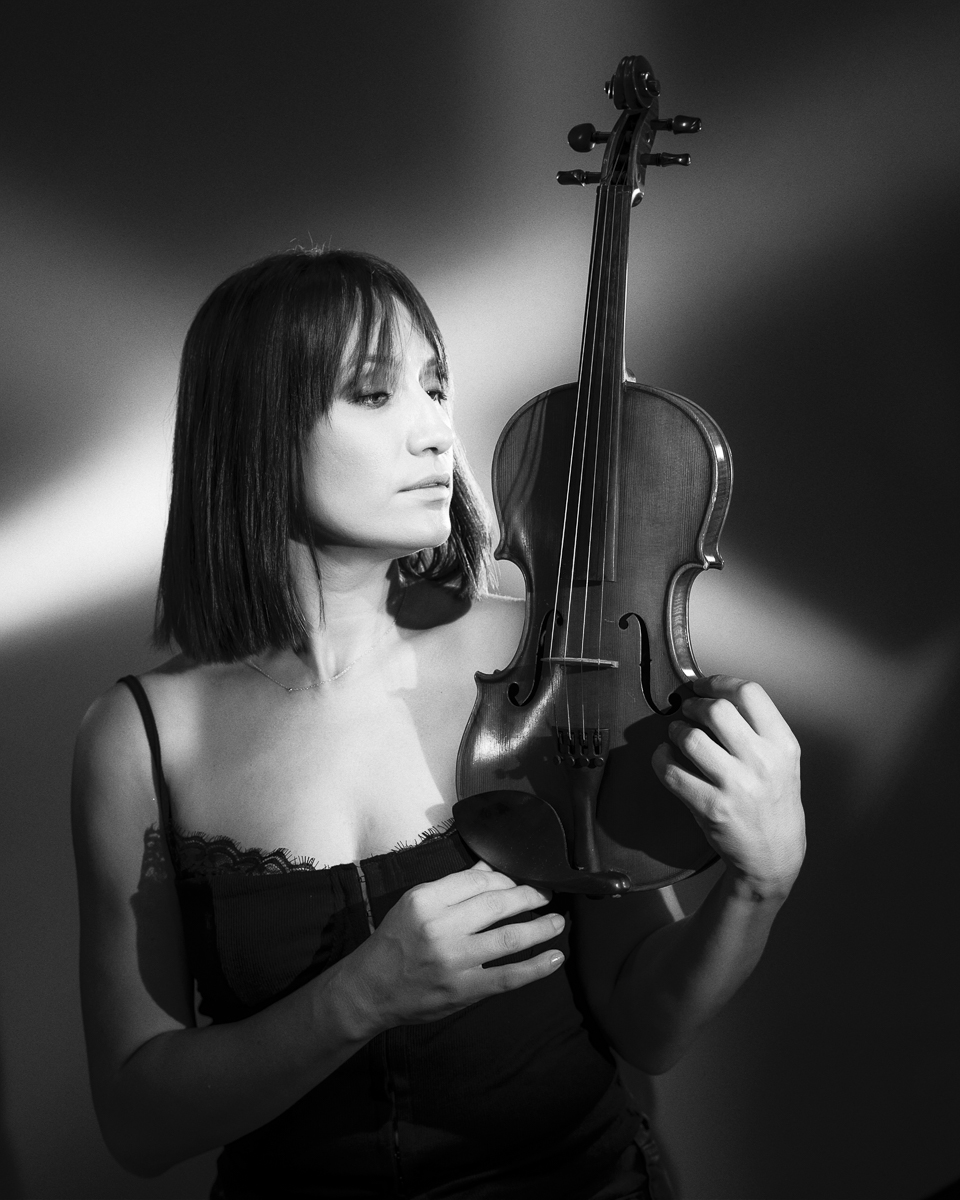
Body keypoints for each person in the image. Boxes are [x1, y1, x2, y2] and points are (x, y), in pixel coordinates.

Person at [71, 248, 805, 1200]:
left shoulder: (534, 664)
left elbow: (648, 1024)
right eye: (374, 396)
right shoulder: (140, 738)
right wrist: (361, 995)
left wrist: (761, 883)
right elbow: (138, 1123)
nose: (434, 434)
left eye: (435, 386)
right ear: (255, 430)